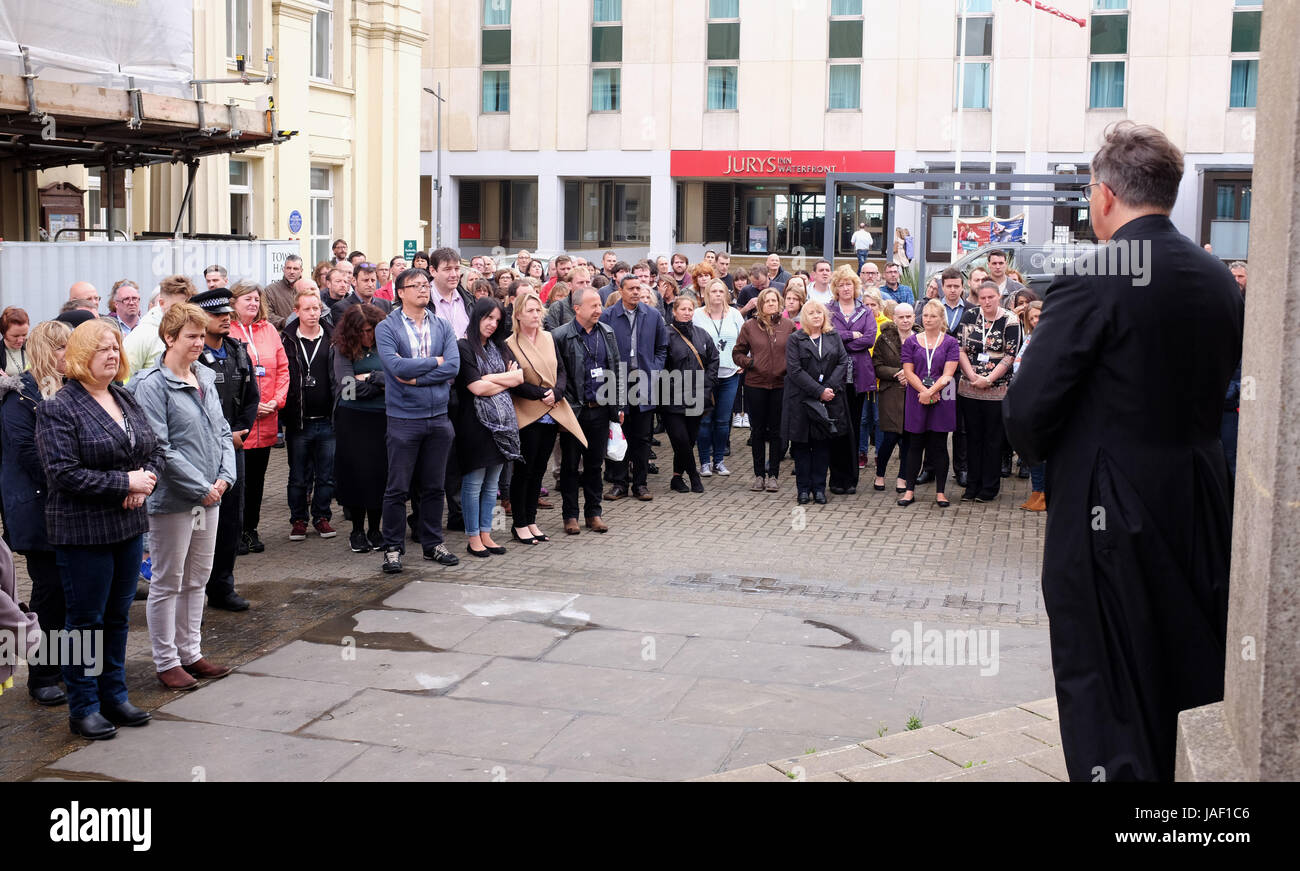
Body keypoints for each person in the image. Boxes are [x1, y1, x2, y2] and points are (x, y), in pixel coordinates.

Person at [1003, 122, 1243, 782]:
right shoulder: (1219, 278)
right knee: (1187, 677)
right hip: (1199, 502)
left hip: (1107, 514)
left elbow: (1026, 411)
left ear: (1104, 195)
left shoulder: (1096, 274)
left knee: (1109, 692)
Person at [36, 319, 165, 739]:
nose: (112, 354)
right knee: (85, 621)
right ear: (78, 355)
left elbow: (155, 450)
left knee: (117, 617)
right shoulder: (60, 407)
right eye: (101, 348)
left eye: (115, 347)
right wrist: (124, 483)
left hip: (128, 525)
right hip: (84, 531)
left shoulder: (123, 396)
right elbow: (62, 473)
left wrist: (144, 481)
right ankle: (84, 706)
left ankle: (114, 695)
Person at [130, 303, 236, 691]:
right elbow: (161, 446)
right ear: (169, 338)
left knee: (197, 579)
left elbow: (223, 432)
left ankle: (191, 652)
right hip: (175, 500)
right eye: (190, 336)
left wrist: (225, 477)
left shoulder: (204, 375)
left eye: (200, 335)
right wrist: (201, 487)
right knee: (167, 580)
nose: (198, 343)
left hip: (211, 495)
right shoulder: (150, 385)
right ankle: (166, 660)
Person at [0, 320, 73, 705]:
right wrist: (77, 473)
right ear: (47, 351)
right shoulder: (20, 397)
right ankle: (43, 675)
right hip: (38, 511)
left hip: (70, 508)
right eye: (61, 349)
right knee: (50, 592)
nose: (68, 355)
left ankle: (67, 667)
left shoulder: (68, 389)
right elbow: (29, 455)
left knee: (70, 593)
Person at [375, 267, 462, 573]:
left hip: (438, 417)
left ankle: (433, 544)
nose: (424, 289)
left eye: (426, 284)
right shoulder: (387, 328)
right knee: (397, 488)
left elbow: (452, 366)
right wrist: (432, 363)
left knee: (434, 487)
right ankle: (393, 548)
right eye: (417, 285)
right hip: (403, 419)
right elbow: (396, 366)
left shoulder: (441, 325)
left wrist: (419, 376)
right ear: (400, 292)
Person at [193, 289, 258, 612]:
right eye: (219, 315)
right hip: (202, 450)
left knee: (231, 519)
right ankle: (194, 590)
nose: (226, 319)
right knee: (201, 521)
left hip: (235, 446)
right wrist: (220, 436)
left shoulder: (237, 351)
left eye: (228, 314)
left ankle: (222, 586)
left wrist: (239, 432)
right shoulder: (192, 357)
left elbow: (251, 397)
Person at [506, 290, 584, 544]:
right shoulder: (510, 344)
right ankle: (519, 524)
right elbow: (515, 382)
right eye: (530, 310)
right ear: (518, 314)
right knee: (524, 472)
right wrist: (542, 393)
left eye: (539, 310)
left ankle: (531, 520)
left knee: (539, 471)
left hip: (552, 411)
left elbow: (561, 369)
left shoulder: (549, 337)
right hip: (529, 413)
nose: (536, 314)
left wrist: (557, 392)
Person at [552, 284, 624, 534]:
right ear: (577, 308)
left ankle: (594, 513)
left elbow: (616, 369)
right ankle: (570, 516)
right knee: (571, 466)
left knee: (595, 465)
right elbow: (556, 376)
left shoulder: (607, 332)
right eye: (593, 305)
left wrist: (619, 405)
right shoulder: (560, 336)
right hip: (574, 411)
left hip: (601, 410)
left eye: (599, 305)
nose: (599, 309)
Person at [453, 299, 523, 557]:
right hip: (474, 424)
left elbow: (519, 377)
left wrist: (492, 379)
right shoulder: (463, 347)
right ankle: (473, 538)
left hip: (502, 425)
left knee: (493, 482)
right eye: (488, 318)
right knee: (473, 483)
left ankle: (487, 533)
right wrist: (505, 379)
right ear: (477, 318)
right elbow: (476, 388)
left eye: (497, 320)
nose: (493, 324)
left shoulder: (500, 347)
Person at [229, 281, 288, 555]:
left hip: (267, 420)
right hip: (241, 423)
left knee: (256, 482)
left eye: (256, 299)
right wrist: (252, 407)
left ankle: (251, 529)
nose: (253, 303)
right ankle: (235, 531)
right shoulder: (226, 331)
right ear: (234, 302)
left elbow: (284, 369)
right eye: (247, 299)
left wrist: (276, 400)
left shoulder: (269, 331)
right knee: (237, 483)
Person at [600, 274, 669, 502]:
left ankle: (640, 483)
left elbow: (662, 347)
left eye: (639, 288)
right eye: (631, 289)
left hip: (645, 381)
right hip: (617, 381)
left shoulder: (653, 315)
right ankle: (620, 482)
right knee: (620, 433)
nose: (636, 292)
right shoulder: (608, 316)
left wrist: (654, 370)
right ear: (620, 290)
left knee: (642, 437)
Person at [330, 304, 389, 553]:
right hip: (352, 420)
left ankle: (376, 529)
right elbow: (347, 389)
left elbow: (396, 378)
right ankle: (357, 530)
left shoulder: (385, 346)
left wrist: (369, 378)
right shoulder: (342, 350)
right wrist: (380, 382)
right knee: (357, 476)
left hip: (382, 418)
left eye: (373, 330)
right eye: (363, 331)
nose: (369, 336)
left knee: (379, 475)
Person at [281, 287, 338, 540]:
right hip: (299, 420)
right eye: (307, 309)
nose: (313, 313)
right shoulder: (287, 340)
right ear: (297, 312)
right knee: (298, 476)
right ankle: (299, 520)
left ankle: (322, 517)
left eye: (316, 308)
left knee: (326, 475)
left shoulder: (332, 338)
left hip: (327, 420)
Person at [956, 280, 1020, 502]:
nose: (986, 302)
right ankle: (971, 486)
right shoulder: (970, 316)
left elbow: (1010, 355)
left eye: (990, 297)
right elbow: (960, 349)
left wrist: (989, 379)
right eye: (982, 298)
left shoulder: (1010, 320)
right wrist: (973, 376)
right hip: (969, 388)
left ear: (998, 297)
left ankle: (989, 488)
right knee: (973, 438)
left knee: (993, 440)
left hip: (997, 390)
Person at [782, 301, 848, 505]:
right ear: (804, 317)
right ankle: (803, 490)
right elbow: (794, 370)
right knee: (802, 446)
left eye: (819, 312)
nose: (816, 316)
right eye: (811, 313)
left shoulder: (833, 336)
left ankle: (819, 489)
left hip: (828, 400)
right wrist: (819, 391)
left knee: (821, 446)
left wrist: (828, 389)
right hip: (801, 400)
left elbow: (842, 362)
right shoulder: (795, 339)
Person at [897, 300, 960, 508]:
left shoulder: (950, 342)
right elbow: (908, 371)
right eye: (925, 315)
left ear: (941, 318)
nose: (928, 319)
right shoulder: (912, 342)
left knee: (939, 446)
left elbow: (948, 374)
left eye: (933, 316)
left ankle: (941, 492)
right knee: (915, 445)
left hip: (942, 398)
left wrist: (932, 392)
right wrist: (924, 392)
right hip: (917, 397)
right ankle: (909, 490)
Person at [733, 289, 793, 492]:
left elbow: (795, 353)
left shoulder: (788, 326)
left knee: (776, 432)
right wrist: (749, 363)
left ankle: (773, 475)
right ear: (760, 304)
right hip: (755, 384)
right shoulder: (749, 326)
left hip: (781, 385)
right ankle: (759, 475)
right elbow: (737, 352)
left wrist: (788, 368)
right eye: (766, 301)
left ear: (779, 303)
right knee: (757, 431)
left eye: (773, 300)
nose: (770, 304)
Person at [827, 266, 877, 494]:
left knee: (855, 427)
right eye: (841, 284)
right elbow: (829, 337)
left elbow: (868, 339)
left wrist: (842, 342)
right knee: (836, 427)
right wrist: (848, 336)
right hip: (834, 378)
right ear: (835, 287)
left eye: (849, 284)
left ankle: (851, 480)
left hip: (858, 379)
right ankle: (836, 478)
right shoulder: (828, 310)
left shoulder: (865, 311)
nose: (845, 288)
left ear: (855, 287)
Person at [663, 294, 718, 494]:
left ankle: (677, 477)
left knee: (690, 439)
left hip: (698, 396)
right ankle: (694, 475)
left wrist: (708, 382)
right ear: (674, 311)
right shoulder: (665, 334)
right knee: (680, 439)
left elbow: (713, 359)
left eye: (690, 309)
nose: (687, 313)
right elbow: (660, 364)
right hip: (672, 397)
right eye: (683, 309)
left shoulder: (702, 334)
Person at [692, 279, 744, 478]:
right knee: (705, 420)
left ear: (726, 294)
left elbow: (744, 339)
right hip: (705, 375)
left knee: (723, 421)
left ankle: (719, 461)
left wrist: (743, 361)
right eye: (713, 291)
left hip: (730, 374)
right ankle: (705, 462)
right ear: (706, 294)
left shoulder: (735, 314)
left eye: (720, 291)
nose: (717, 295)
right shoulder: (697, 315)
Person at [872, 302, 916, 493]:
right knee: (889, 437)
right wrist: (897, 373)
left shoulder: (921, 338)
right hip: (890, 393)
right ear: (894, 318)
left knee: (908, 438)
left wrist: (911, 376)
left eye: (909, 316)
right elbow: (876, 365)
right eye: (901, 317)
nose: (905, 320)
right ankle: (880, 474)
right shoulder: (884, 339)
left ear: (914, 317)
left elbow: (928, 365)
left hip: (914, 392)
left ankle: (902, 477)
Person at [124, 275, 197, 377]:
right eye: (176, 307)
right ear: (162, 303)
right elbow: (124, 380)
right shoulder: (142, 335)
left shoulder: (194, 335)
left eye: (187, 307)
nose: (183, 313)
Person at [1012, 301, 1046, 511]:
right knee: (1033, 449)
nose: (1035, 321)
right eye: (1031, 318)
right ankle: (1037, 492)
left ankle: (1045, 494)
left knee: (1043, 450)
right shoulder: (1030, 337)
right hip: (1029, 399)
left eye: (1038, 316)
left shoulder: (1052, 337)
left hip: (1043, 400)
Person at [263, 255, 303, 329]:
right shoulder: (270, 290)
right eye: (288, 268)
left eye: (295, 269)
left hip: (305, 335)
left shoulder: (307, 289)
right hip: (282, 336)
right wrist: (284, 322)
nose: (291, 272)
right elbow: (266, 314)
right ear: (283, 269)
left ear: (301, 271)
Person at [1, 307, 28, 375]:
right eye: (15, 336)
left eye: (24, 335)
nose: (20, 340)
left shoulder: (35, 348)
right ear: (4, 333)